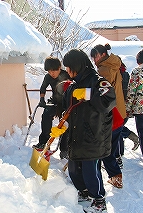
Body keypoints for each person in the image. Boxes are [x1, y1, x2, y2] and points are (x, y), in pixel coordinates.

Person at [56, 49, 116, 212]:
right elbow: (68, 109)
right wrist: (62, 125)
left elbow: (110, 99)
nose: (67, 71)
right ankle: (83, 192)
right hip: (76, 135)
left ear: (77, 65)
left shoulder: (97, 81)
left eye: (69, 67)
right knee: (74, 169)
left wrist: (89, 94)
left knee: (90, 170)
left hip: (93, 135)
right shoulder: (73, 85)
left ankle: (98, 200)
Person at [90, 43, 125, 188]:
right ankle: (117, 164)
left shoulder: (104, 70)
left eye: (95, 56)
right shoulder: (115, 63)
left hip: (112, 112)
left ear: (103, 54)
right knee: (113, 143)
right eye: (92, 57)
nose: (94, 60)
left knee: (106, 149)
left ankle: (116, 176)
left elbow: (103, 94)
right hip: (119, 110)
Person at [32, 56, 71, 159]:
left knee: (64, 125)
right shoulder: (48, 77)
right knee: (45, 116)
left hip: (66, 103)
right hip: (54, 100)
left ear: (59, 68)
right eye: (49, 71)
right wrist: (42, 99)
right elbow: (43, 87)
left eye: (54, 70)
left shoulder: (66, 75)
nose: (52, 73)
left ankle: (64, 149)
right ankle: (44, 142)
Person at [115, 60, 140, 168]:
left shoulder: (118, 75)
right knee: (118, 129)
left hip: (119, 106)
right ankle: (121, 152)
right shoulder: (125, 74)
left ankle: (119, 154)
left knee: (117, 130)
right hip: (124, 107)